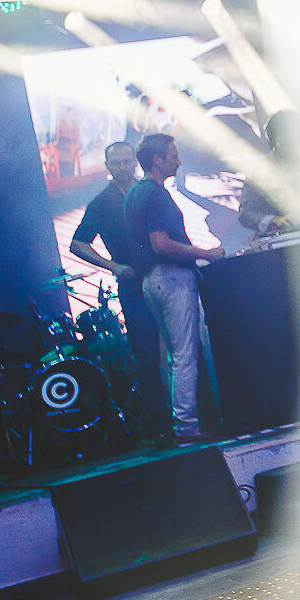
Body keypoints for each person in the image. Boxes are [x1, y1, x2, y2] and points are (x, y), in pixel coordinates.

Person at [124, 133, 225, 443]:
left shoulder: (134, 194)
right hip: (171, 279)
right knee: (184, 355)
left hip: (151, 281)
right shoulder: (155, 194)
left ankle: (179, 423)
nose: (178, 161)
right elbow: (161, 243)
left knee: (173, 357)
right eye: (173, 155)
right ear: (157, 160)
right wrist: (205, 253)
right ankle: (186, 426)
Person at [68, 141, 166, 436]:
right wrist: (114, 267)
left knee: (182, 346)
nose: (123, 167)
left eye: (127, 161)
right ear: (108, 167)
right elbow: (77, 243)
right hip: (133, 283)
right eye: (117, 163)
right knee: (147, 353)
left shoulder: (149, 191)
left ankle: (199, 413)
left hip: (163, 274)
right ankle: (161, 423)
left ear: (135, 161)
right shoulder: (101, 203)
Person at [238, 111, 300, 237]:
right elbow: (245, 214)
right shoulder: (259, 170)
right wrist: (274, 221)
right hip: (275, 244)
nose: (290, 140)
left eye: (294, 135)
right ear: (272, 138)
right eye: (284, 135)